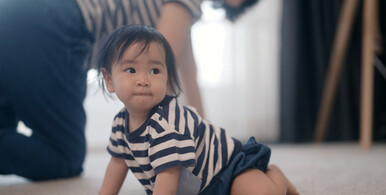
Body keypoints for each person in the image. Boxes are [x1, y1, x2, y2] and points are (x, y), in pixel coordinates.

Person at [0, 0, 258, 181]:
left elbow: (187, 73)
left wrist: (204, 136)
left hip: (20, 13)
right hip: (50, 23)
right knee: (65, 156)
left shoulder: (184, 10)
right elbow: (157, 65)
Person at [72, 25, 298, 195]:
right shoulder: (120, 123)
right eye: (131, 70)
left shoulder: (166, 124)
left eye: (155, 70)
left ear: (167, 78)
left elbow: (169, 173)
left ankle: (274, 174)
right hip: (196, 185)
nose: (143, 79)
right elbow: (118, 162)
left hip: (225, 169)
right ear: (109, 79)